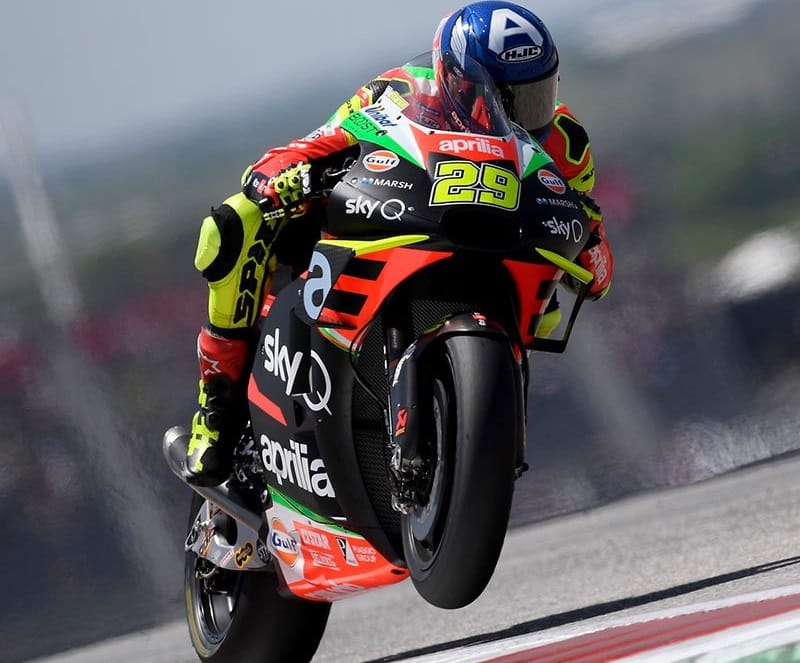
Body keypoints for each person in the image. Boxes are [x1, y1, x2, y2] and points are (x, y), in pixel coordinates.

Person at [184, 0, 615, 486]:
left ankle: (483, 412)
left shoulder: (564, 141)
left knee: (550, 304)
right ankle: (216, 406)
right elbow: (316, 144)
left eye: (539, 93)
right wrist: (278, 177)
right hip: (397, 224)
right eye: (507, 98)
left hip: (495, 260)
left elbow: (596, 261)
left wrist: (589, 241)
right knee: (232, 223)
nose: (527, 114)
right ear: (458, 80)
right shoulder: (399, 91)